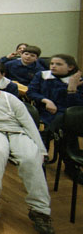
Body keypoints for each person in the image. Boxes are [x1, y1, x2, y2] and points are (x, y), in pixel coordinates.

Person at [0, 69, 55, 234]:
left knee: (31, 158)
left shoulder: (10, 99)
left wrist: (41, 149)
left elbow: (28, 124)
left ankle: (40, 210)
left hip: (16, 131)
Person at [27, 54, 83, 183]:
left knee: (65, 123)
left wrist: (72, 88)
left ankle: (44, 141)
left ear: (70, 67)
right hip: (46, 112)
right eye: (52, 63)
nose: (53, 66)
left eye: (58, 64)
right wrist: (46, 100)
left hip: (67, 114)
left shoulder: (77, 80)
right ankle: (71, 167)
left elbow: (76, 106)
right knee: (65, 129)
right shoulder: (42, 75)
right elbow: (31, 92)